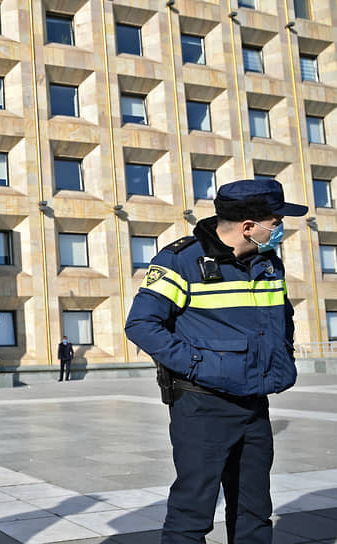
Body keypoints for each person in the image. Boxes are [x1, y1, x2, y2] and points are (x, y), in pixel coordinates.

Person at [125, 178, 306, 544]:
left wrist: (281, 355)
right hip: (202, 404)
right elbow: (141, 324)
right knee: (192, 513)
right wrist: (198, 364)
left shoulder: (268, 264)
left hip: (254, 401)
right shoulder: (180, 261)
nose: (280, 228)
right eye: (275, 220)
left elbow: (282, 317)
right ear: (248, 226)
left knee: (254, 510)